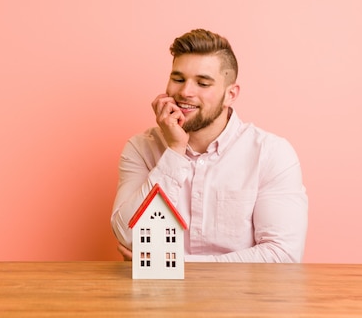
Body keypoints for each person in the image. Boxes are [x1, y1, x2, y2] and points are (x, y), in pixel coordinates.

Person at [110, 29, 308, 262]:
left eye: (203, 83)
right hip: (159, 297)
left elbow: (282, 255)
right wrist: (174, 151)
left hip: (240, 298)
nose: (185, 92)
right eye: (178, 79)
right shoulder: (140, 148)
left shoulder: (271, 153)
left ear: (230, 94)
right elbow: (129, 236)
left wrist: (170, 263)